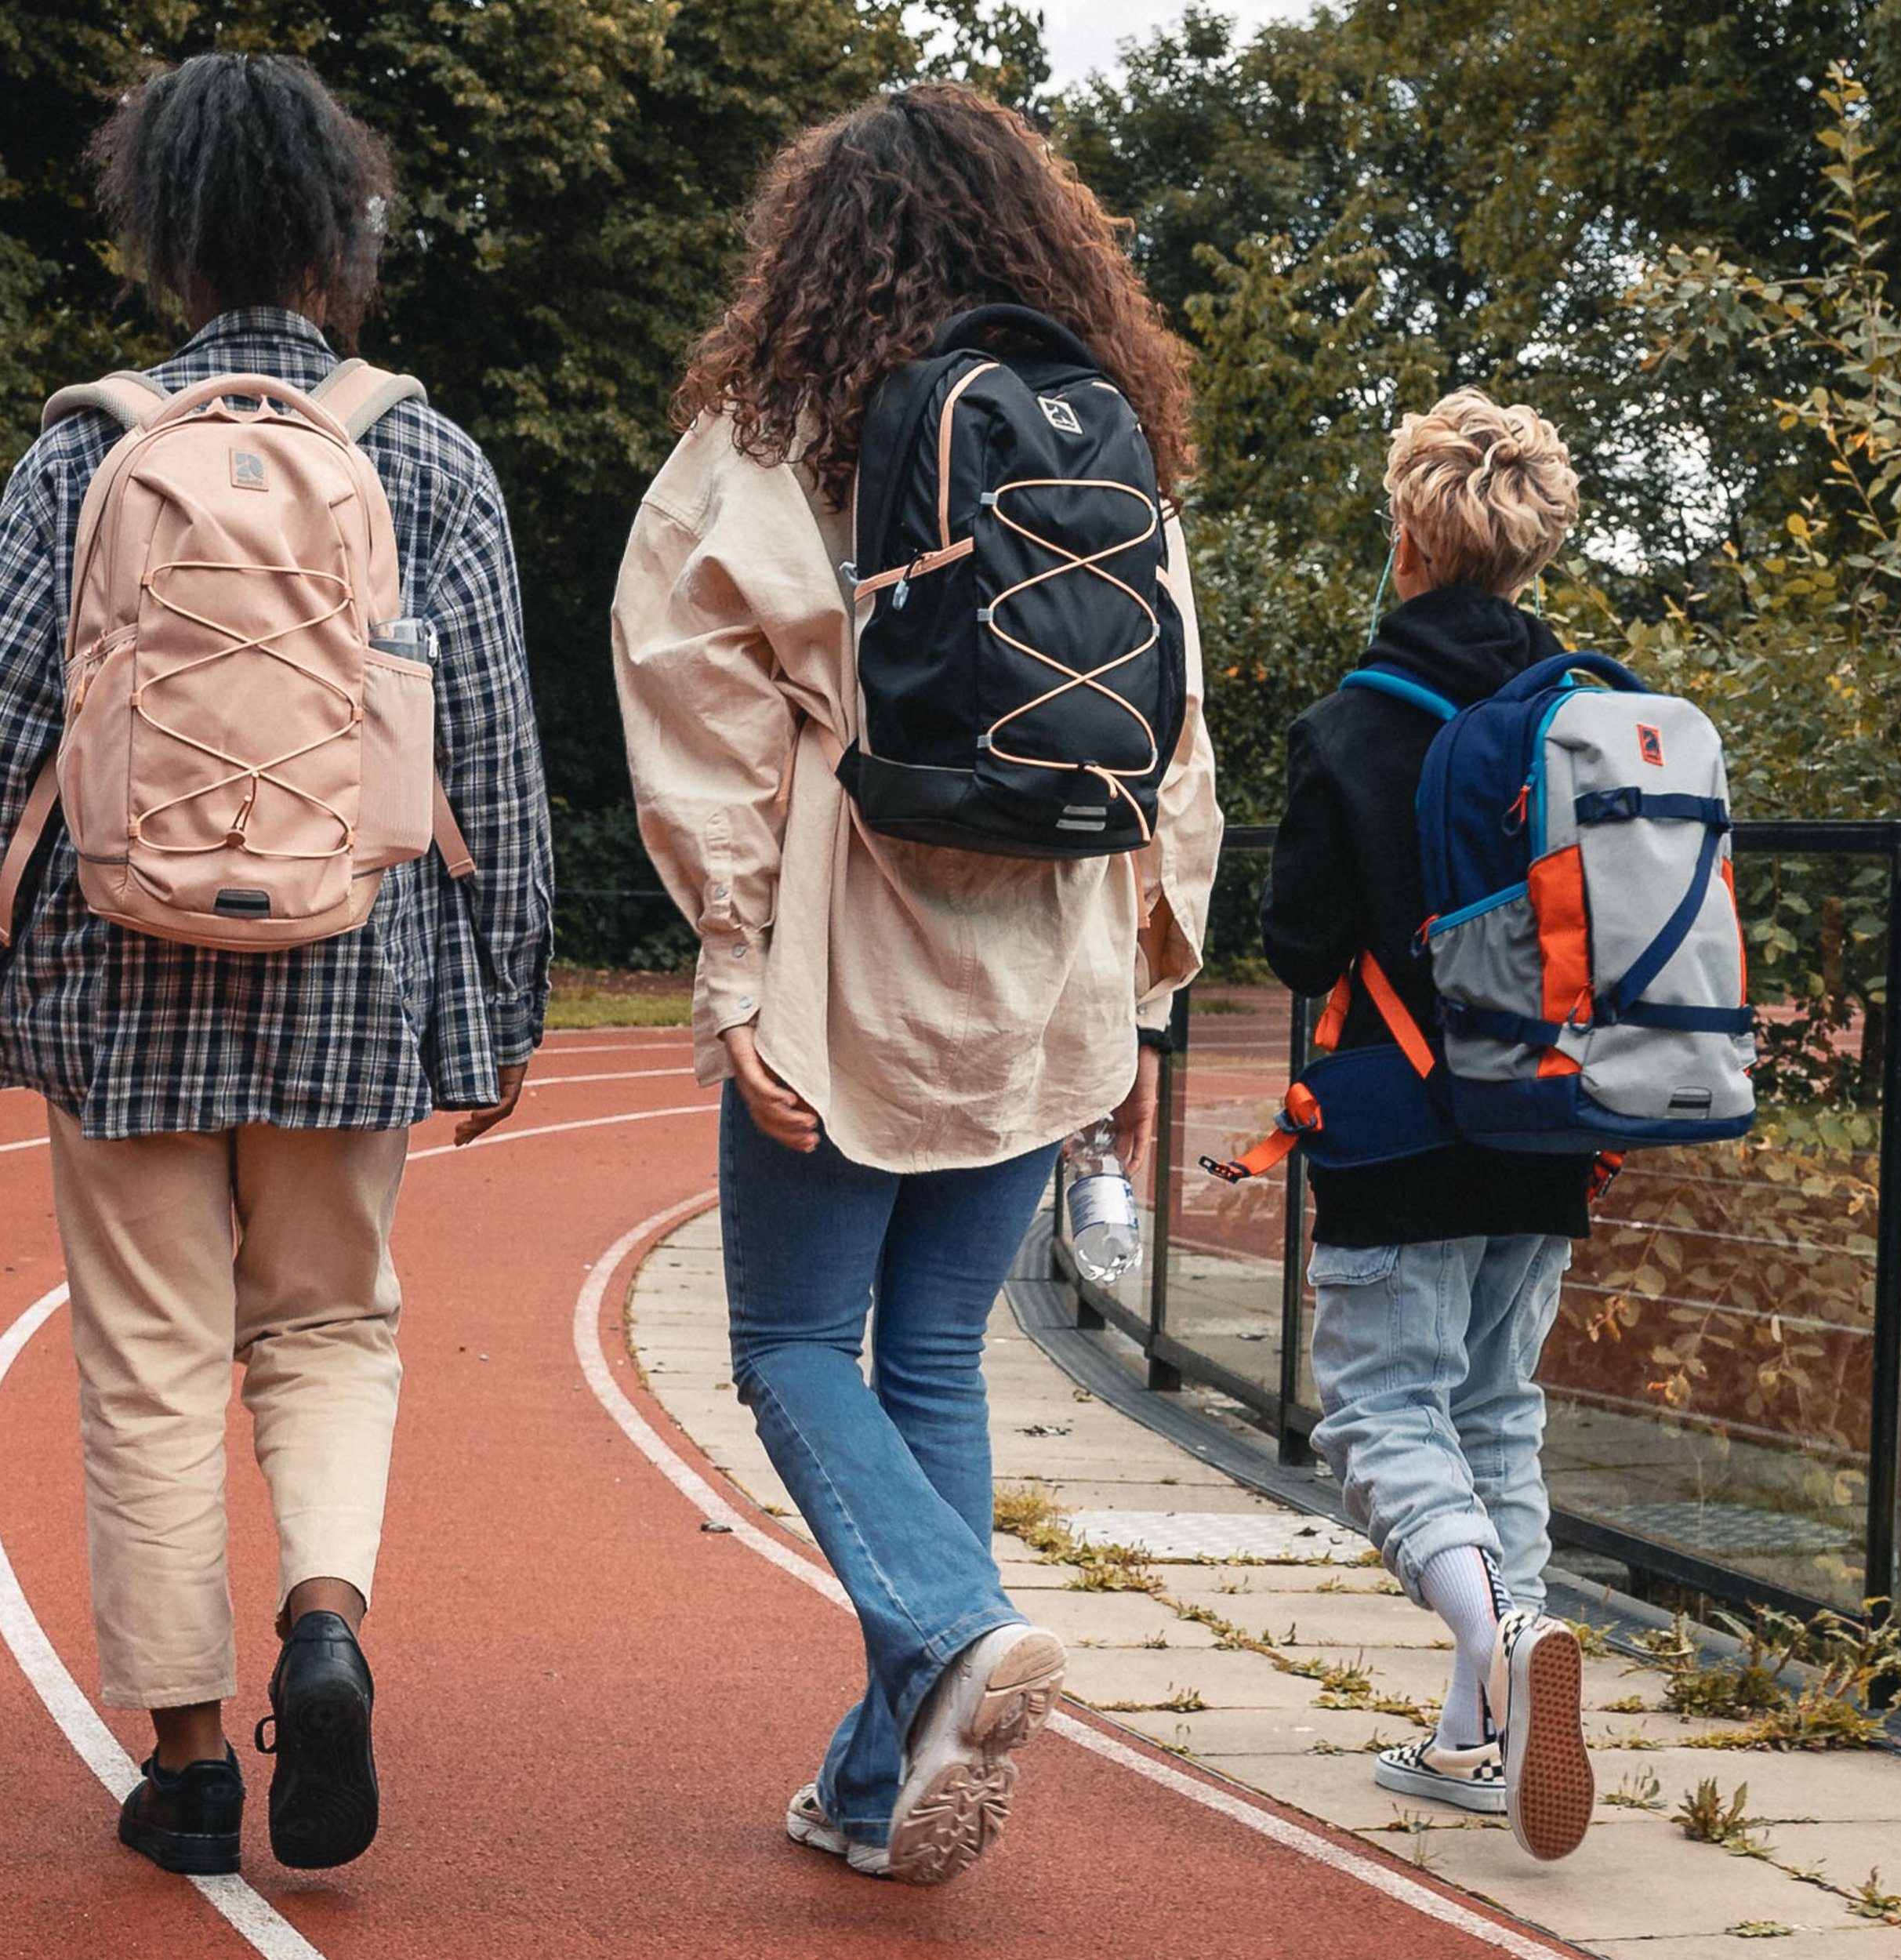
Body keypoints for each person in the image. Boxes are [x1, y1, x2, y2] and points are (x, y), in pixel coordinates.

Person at [613, 83, 1221, 1886]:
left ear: (812, 249)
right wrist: (1152, 994)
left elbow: (696, 703)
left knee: (793, 1343)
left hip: (846, 956)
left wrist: (731, 962)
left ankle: (955, 1627)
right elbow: (1176, 740)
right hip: (1047, 975)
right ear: (1045, 243)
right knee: (934, 1347)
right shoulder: (1108, 448)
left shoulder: (769, 430)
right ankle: (883, 1782)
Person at [0, 54, 553, 1876]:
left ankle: (183, 1761)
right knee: (326, 1323)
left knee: (149, 1354)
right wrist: (504, 994)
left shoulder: (80, 451)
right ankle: (323, 1622)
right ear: (338, 227)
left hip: (116, 960)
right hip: (353, 961)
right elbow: (486, 749)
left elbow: (14, 726)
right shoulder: (421, 450)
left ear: (163, 227)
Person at [1261, 388, 1596, 1861]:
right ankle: (1479, 1737)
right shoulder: (1589, 720)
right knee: (1497, 1417)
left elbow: (1294, 942)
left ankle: (1509, 1638)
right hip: (1556, 1125)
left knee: (1385, 1414)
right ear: (1528, 548)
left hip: (1400, 1126)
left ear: (1409, 530)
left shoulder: (1351, 726)